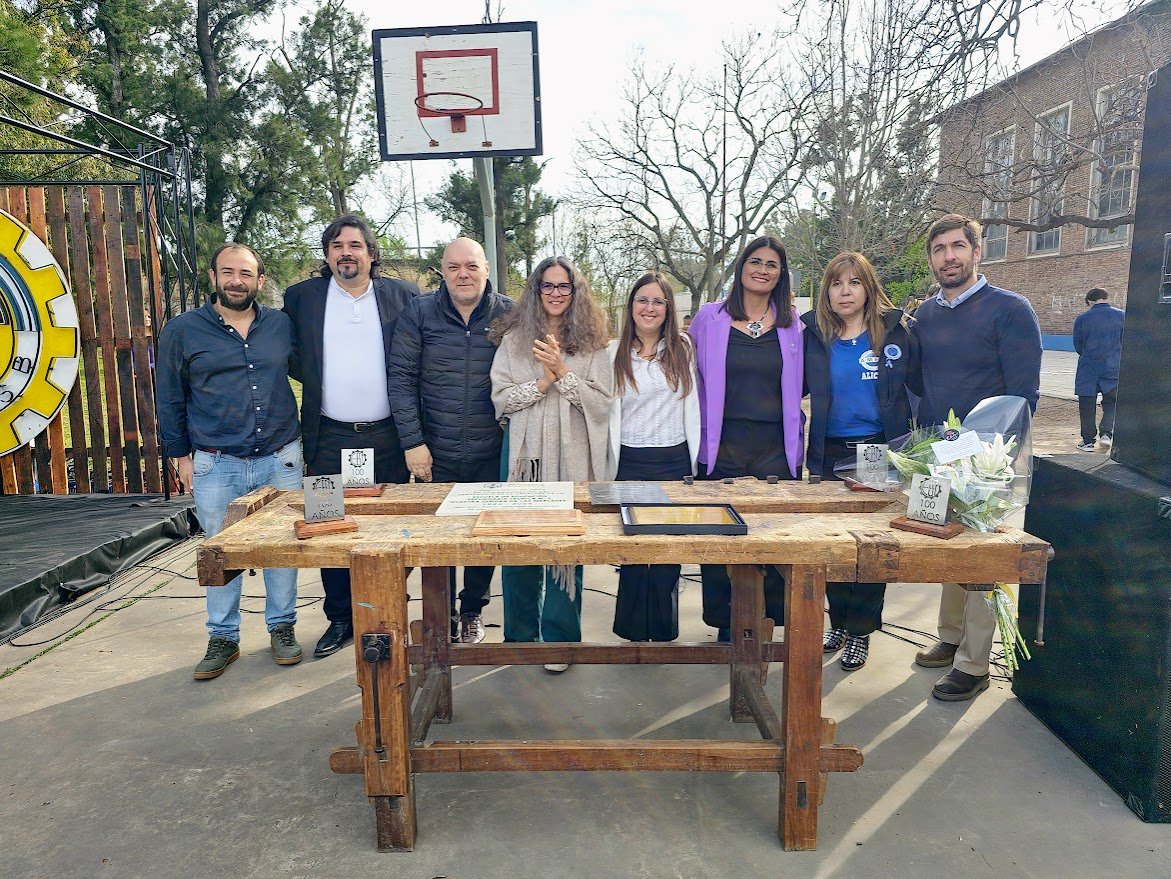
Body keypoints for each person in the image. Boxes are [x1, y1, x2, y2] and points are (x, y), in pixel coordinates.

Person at [910, 213, 1042, 701]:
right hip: (939, 454)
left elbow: (1023, 395)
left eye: (956, 247)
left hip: (990, 461)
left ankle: (975, 662)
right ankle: (949, 637)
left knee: (983, 560)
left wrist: (993, 455)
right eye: (940, 249)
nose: (949, 256)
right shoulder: (925, 315)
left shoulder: (1010, 309)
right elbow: (922, 385)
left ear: (976, 251)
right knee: (948, 549)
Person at [157, 243, 304, 680]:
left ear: (260, 281)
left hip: (281, 455)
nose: (236, 280)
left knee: (282, 546)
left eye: (246, 273)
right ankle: (223, 637)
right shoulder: (183, 330)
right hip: (217, 460)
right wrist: (179, 454)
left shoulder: (280, 325)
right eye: (228, 272)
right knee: (220, 551)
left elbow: (311, 370)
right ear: (213, 276)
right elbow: (169, 395)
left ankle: (282, 628)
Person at [283, 215, 418, 658]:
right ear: (326, 255)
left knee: (390, 526)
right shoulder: (302, 298)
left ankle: (388, 612)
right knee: (327, 529)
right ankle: (340, 618)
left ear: (371, 253)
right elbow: (293, 358)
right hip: (328, 438)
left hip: (388, 438)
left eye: (356, 245)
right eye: (337, 244)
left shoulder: (402, 296)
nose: (346, 252)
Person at [489, 256, 613, 671]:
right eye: (548, 286)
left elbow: (600, 404)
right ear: (535, 291)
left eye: (564, 287)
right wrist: (543, 382)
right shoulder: (514, 340)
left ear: (576, 293)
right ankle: (519, 637)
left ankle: (560, 641)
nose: (556, 294)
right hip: (526, 458)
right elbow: (501, 401)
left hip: (572, 454)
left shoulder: (595, 345)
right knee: (519, 544)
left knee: (565, 545)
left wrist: (563, 371)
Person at [388, 237, 513, 643]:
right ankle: (439, 617)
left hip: (490, 449)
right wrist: (412, 442)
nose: (463, 274)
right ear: (442, 271)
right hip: (435, 450)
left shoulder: (508, 314)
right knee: (437, 541)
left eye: (472, 266)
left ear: (487, 269)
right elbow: (401, 379)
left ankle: (473, 610)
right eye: (454, 266)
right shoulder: (420, 312)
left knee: (482, 538)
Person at [802, 252, 917, 670]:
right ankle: (839, 622)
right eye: (836, 283)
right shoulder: (815, 336)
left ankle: (862, 631)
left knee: (869, 546)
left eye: (853, 283)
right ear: (826, 292)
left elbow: (919, 387)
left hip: (875, 451)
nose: (844, 291)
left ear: (868, 288)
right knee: (832, 543)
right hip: (830, 451)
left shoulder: (893, 333)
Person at [687, 235, 804, 641]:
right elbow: (685, 372)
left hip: (776, 447)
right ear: (740, 267)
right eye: (755, 261)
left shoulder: (793, 325)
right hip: (723, 444)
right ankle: (726, 623)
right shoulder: (709, 317)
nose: (762, 269)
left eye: (772, 264)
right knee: (721, 537)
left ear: (781, 274)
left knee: (770, 537)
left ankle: (765, 622)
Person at [608, 272, 699, 642]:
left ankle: (662, 632)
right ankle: (631, 632)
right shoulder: (613, 352)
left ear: (668, 309)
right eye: (642, 300)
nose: (650, 308)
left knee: (666, 554)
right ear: (631, 306)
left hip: (673, 460)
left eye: (658, 301)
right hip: (629, 461)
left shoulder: (683, 348)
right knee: (632, 553)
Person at [1073, 287, 1124, 452]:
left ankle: (1088, 441)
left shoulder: (1082, 319)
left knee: (1087, 403)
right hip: (1113, 366)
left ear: (1089, 301)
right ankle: (1106, 434)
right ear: (1106, 298)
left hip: (1088, 367)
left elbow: (1078, 345)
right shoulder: (1122, 316)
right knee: (1112, 402)